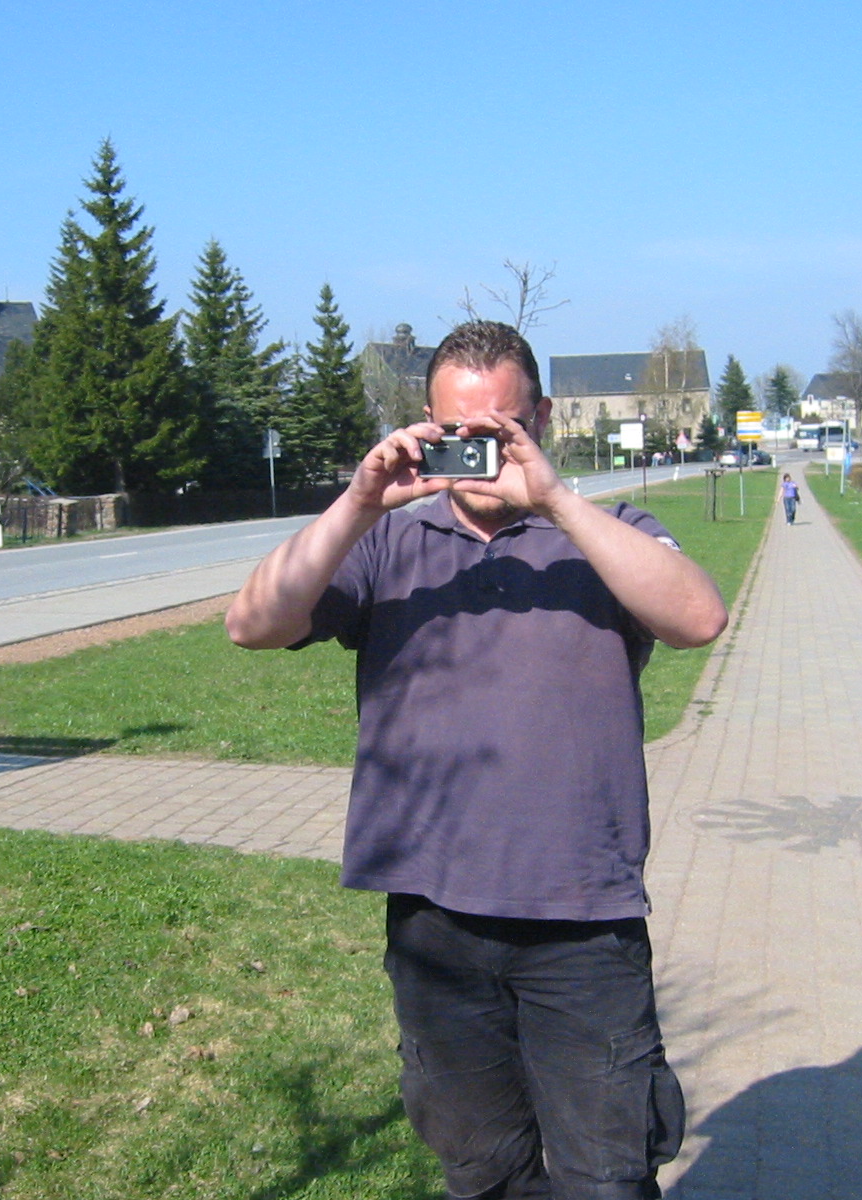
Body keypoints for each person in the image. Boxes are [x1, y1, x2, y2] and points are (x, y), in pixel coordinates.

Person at [226, 320, 727, 1199]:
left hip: (582, 919)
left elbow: (699, 618)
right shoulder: (386, 545)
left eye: (503, 429)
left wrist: (556, 500)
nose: (480, 452)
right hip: (436, 925)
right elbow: (252, 624)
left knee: (607, 1180)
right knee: (485, 1175)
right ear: (426, 424)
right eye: (458, 431)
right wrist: (359, 503)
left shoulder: (608, 533)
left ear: (544, 419)